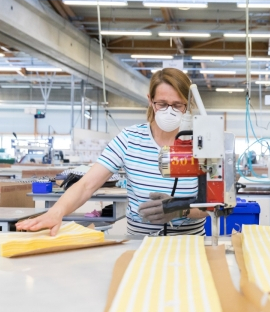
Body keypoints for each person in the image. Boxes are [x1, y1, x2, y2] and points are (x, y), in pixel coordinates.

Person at [16, 68, 208, 236]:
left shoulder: (203, 143)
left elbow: (211, 204)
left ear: (188, 105)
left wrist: (180, 210)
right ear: (150, 101)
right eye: (162, 104)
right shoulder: (130, 139)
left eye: (177, 105)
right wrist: (55, 212)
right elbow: (86, 185)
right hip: (139, 243)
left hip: (190, 244)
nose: (170, 111)